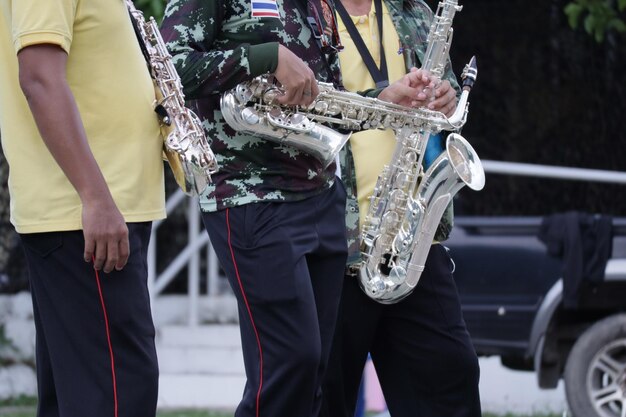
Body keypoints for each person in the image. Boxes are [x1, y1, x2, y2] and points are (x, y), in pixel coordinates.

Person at [159, 1, 435, 416]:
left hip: (321, 197)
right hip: (251, 198)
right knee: (291, 361)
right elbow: (167, 67)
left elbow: (320, 101)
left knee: (316, 374)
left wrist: (383, 100)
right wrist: (264, 57)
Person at [0, 1, 166, 416]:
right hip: (86, 215)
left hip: (96, 212)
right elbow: (38, 78)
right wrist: (95, 198)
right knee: (119, 391)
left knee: (78, 396)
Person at [319, 0, 482, 416]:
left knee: (451, 376)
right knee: (325, 395)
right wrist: (382, 99)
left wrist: (445, 98)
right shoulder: (302, 12)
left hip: (410, 237)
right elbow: (295, 104)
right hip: (333, 243)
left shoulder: (415, 12)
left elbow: (440, 107)